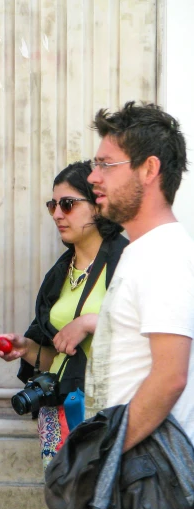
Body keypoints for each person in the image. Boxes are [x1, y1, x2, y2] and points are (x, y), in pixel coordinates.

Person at [0, 161, 127, 509]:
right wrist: (25, 348)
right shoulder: (59, 273)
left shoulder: (126, 261)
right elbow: (54, 358)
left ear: (98, 205)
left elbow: (149, 325)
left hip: (111, 411)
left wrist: (91, 321)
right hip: (61, 413)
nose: (57, 214)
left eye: (67, 204)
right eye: (52, 205)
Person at [85, 101, 194, 450]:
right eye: (95, 164)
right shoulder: (144, 251)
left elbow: (169, 378)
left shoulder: (165, 254)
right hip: (134, 477)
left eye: (106, 164)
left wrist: (103, 458)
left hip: (148, 484)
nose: (93, 177)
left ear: (149, 169)